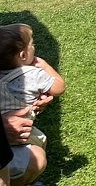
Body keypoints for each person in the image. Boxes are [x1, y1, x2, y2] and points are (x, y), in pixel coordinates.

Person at [0, 24, 65, 186]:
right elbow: (59, 88)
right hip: (23, 131)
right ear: (22, 55)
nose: (34, 48)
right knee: (37, 152)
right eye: (32, 45)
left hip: (8, 137)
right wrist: (44, 65)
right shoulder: (33, 74)